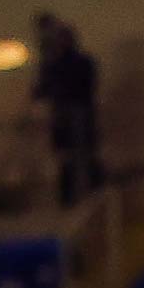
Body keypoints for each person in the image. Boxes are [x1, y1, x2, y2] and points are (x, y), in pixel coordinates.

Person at [33, 16, 103, 205]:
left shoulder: (68, 63)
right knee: (72, 156)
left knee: (76, 155)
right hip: (69, 112)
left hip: (73, 111)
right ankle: (78, 193)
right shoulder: (71, 62)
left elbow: (44, 89)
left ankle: (75, 194)